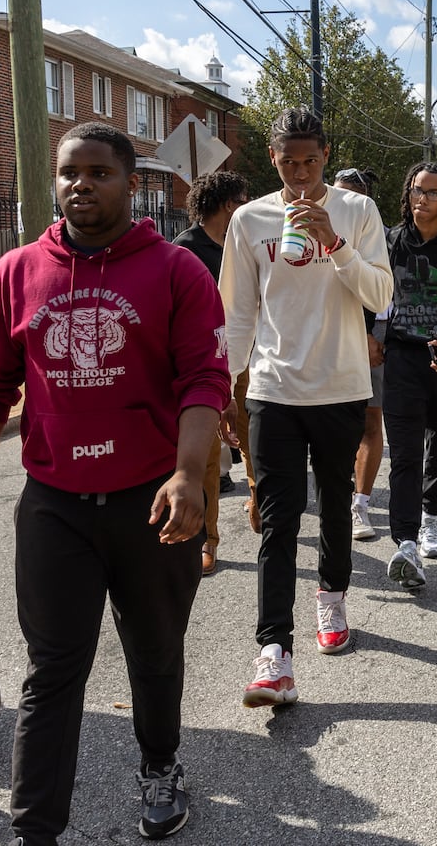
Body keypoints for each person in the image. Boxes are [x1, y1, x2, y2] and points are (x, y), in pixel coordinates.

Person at [0, 121, 230, 843]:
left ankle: (160, 766)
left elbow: (205, 380)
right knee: (53, 670)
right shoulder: (16, 272)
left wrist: (190, 474)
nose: (81, 185)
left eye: (100, 173)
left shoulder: (175, 272)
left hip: (149, 502)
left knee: (155, 651)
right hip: (55, 507)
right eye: (71, 172)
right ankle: (33, 830)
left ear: (134, 184)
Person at [220, 108, 392, 706]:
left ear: (325, 155)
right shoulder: (249, 219)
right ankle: (273, 654)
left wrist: (333, 242)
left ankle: (332, 595)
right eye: (289, 162)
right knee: (277, 517)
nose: (300, 173)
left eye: (311, 161)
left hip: (341, 385)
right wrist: (226, 383)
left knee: (335, 506)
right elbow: (238, 311)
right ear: (273, 159)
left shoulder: (357, 210)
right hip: (273, 389)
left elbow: (380, 293)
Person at [382, 161, 437, 589]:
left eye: (433, 193)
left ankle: (430, 518)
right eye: (418, 190)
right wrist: (371, 333)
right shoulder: (393, 240)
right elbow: (374, 290)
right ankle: (405, 542)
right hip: (403, 353)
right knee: (403, 451)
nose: (423, 199)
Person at [172, 169, 250, 576]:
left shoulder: (242, 242)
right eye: (243, 200)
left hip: (247, 355)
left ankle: (259, 499)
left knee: (255, 441)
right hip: (203, 361)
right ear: (227, 205)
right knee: (206, 456)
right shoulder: (186, 250)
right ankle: (207, 540)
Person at [330, 168, 389, 542]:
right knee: (334, 428)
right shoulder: (309, 227)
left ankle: (360, 504)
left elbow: (375, 287)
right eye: (338, 194)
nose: (342, 204)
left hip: (369, 336)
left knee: (369, 422)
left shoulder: (371, 229)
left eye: (351, 196)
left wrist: (369, 333)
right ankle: (335, 499)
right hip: (327, 343)